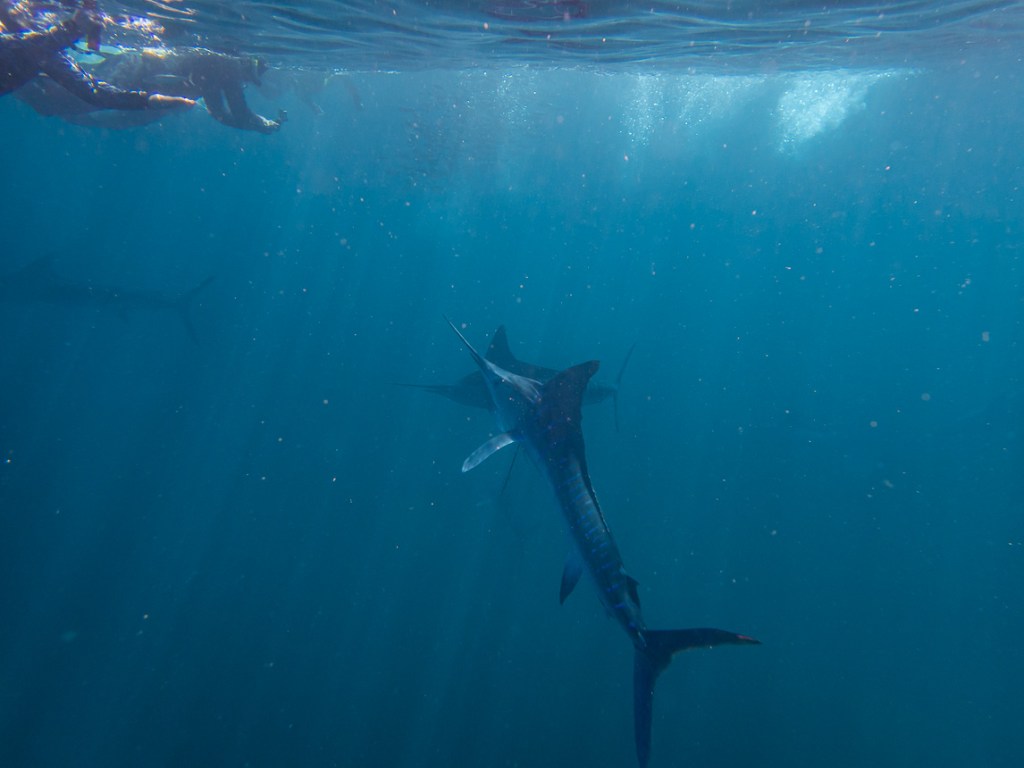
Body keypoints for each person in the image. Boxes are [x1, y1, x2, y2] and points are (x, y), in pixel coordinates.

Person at [0, 1, 194, 110]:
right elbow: (95, 93)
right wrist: (149, 100)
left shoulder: (44, 53)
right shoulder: (44, 54)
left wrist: (148, 100)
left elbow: (94, 93)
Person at [86, 47, 286, 133]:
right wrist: (264, 125)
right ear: (247, 64)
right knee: (96, 97)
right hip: (150, 89)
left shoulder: (219, 70)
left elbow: (219, 113)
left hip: (148, 86)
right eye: (247, 76)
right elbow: (237, 114)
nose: (242, 81)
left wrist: (262, 125)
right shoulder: (229, 67)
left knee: (93, 88)